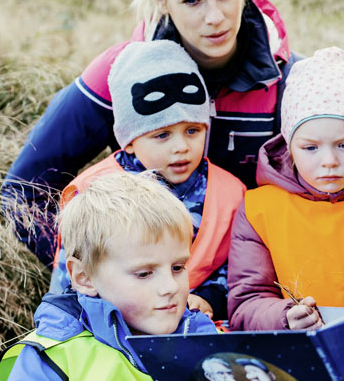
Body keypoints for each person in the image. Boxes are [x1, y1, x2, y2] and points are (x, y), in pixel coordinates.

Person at [1, 0, 299, 269]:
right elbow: (23, 194)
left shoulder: (290, 81)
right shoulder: (117, 75)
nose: (215, 17)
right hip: (137, 308)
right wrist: (100, 275)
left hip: (252, 299)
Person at [0, 173, 218, 381]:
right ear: (83, 277)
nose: (170, 287)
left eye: (178, 268)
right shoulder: (54, 355)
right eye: (144, 273)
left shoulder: (206, 343)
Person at [50, 40, 245, 320]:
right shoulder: (90, 192)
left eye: (192, 130)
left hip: (201, 325)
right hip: (112, 330)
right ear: (129, 141)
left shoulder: (231, 193)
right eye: (162, 135)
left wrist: (209, 299)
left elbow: (237, 270)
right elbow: (67, 287)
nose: (181, 146)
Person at [227, 47, 344, 331]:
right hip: (294, 358)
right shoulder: (259, 209)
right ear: (289, 146)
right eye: (310, 147)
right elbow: (245, 303)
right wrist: (284, 316)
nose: (329, 162)